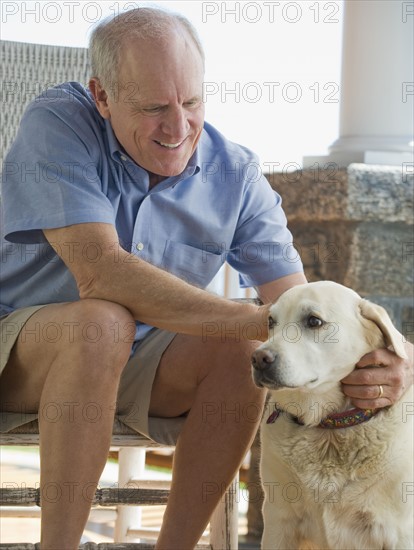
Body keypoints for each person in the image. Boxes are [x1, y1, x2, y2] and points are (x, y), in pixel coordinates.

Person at [0, 7, 412, 550]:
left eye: (191, 102)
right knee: (103, 322)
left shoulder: (235, 172)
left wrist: (393, 362)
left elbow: (301, 309)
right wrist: (263, 320)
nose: (178, 128)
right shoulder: (59, 121)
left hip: (147, 369)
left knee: (242, 349)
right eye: (152, 108)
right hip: (27, 351)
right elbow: (101, 272)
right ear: (101, 97)